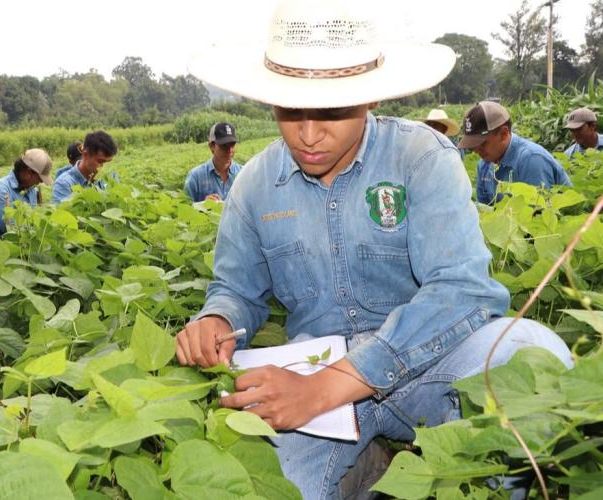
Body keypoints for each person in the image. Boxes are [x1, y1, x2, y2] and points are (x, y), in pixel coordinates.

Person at [177, 1, 573, 498]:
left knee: (532, 359)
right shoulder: (254, 186)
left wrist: (329, 387)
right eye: (289, 110)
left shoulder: (420, 156)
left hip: (429, 366)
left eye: (332, 110)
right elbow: (237, 289)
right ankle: (364, 466)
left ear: (369, 98)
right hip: (314, 382)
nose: (308, 133)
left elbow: (462, 291)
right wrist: (217, 319)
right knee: (257, 484)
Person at [458, 101, 572, 205]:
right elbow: (484, 212)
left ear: (503, 134)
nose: (477, 150)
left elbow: (537, 216)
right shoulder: (484, 165)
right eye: (473, 146)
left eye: (482, 143)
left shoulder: (531, 159)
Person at [0, 149, 53, 236]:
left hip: (28, 245)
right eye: (39, 179)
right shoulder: (1, 189)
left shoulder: (32, 190)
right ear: (29, 173)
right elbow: (10, 231)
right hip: (6, 246)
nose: (40, 183)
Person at [52, 131, 117, 204]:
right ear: (85, 155)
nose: (104, 167)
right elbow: (61, 213)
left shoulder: (111, 177)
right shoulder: (65, 183)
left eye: (108, 162)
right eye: (100, 161)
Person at [184, 122, 243, 202]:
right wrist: (202, 205)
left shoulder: (243, 174)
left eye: (232, 145)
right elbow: (185, 208)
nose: (229, 150)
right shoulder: (195, 177)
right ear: (212, 146)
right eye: (224, 145)